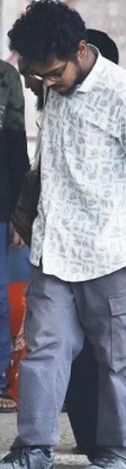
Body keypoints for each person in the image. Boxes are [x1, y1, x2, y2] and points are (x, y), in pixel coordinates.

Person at [0, 0, 126, 469]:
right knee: (43, 350)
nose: (47, 83)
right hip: (56, 247)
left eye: (53, 73)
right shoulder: (52, 87)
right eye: (38, 75)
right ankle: (34, 451)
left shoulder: (124, 94)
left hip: (112, 248)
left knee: (118, 357)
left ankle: (121, 454)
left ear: (81, 49)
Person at [0, 60, 28, 414]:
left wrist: (19, 213)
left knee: (0, 300)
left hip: (0, 205)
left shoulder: (5, 78)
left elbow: (15, 148)